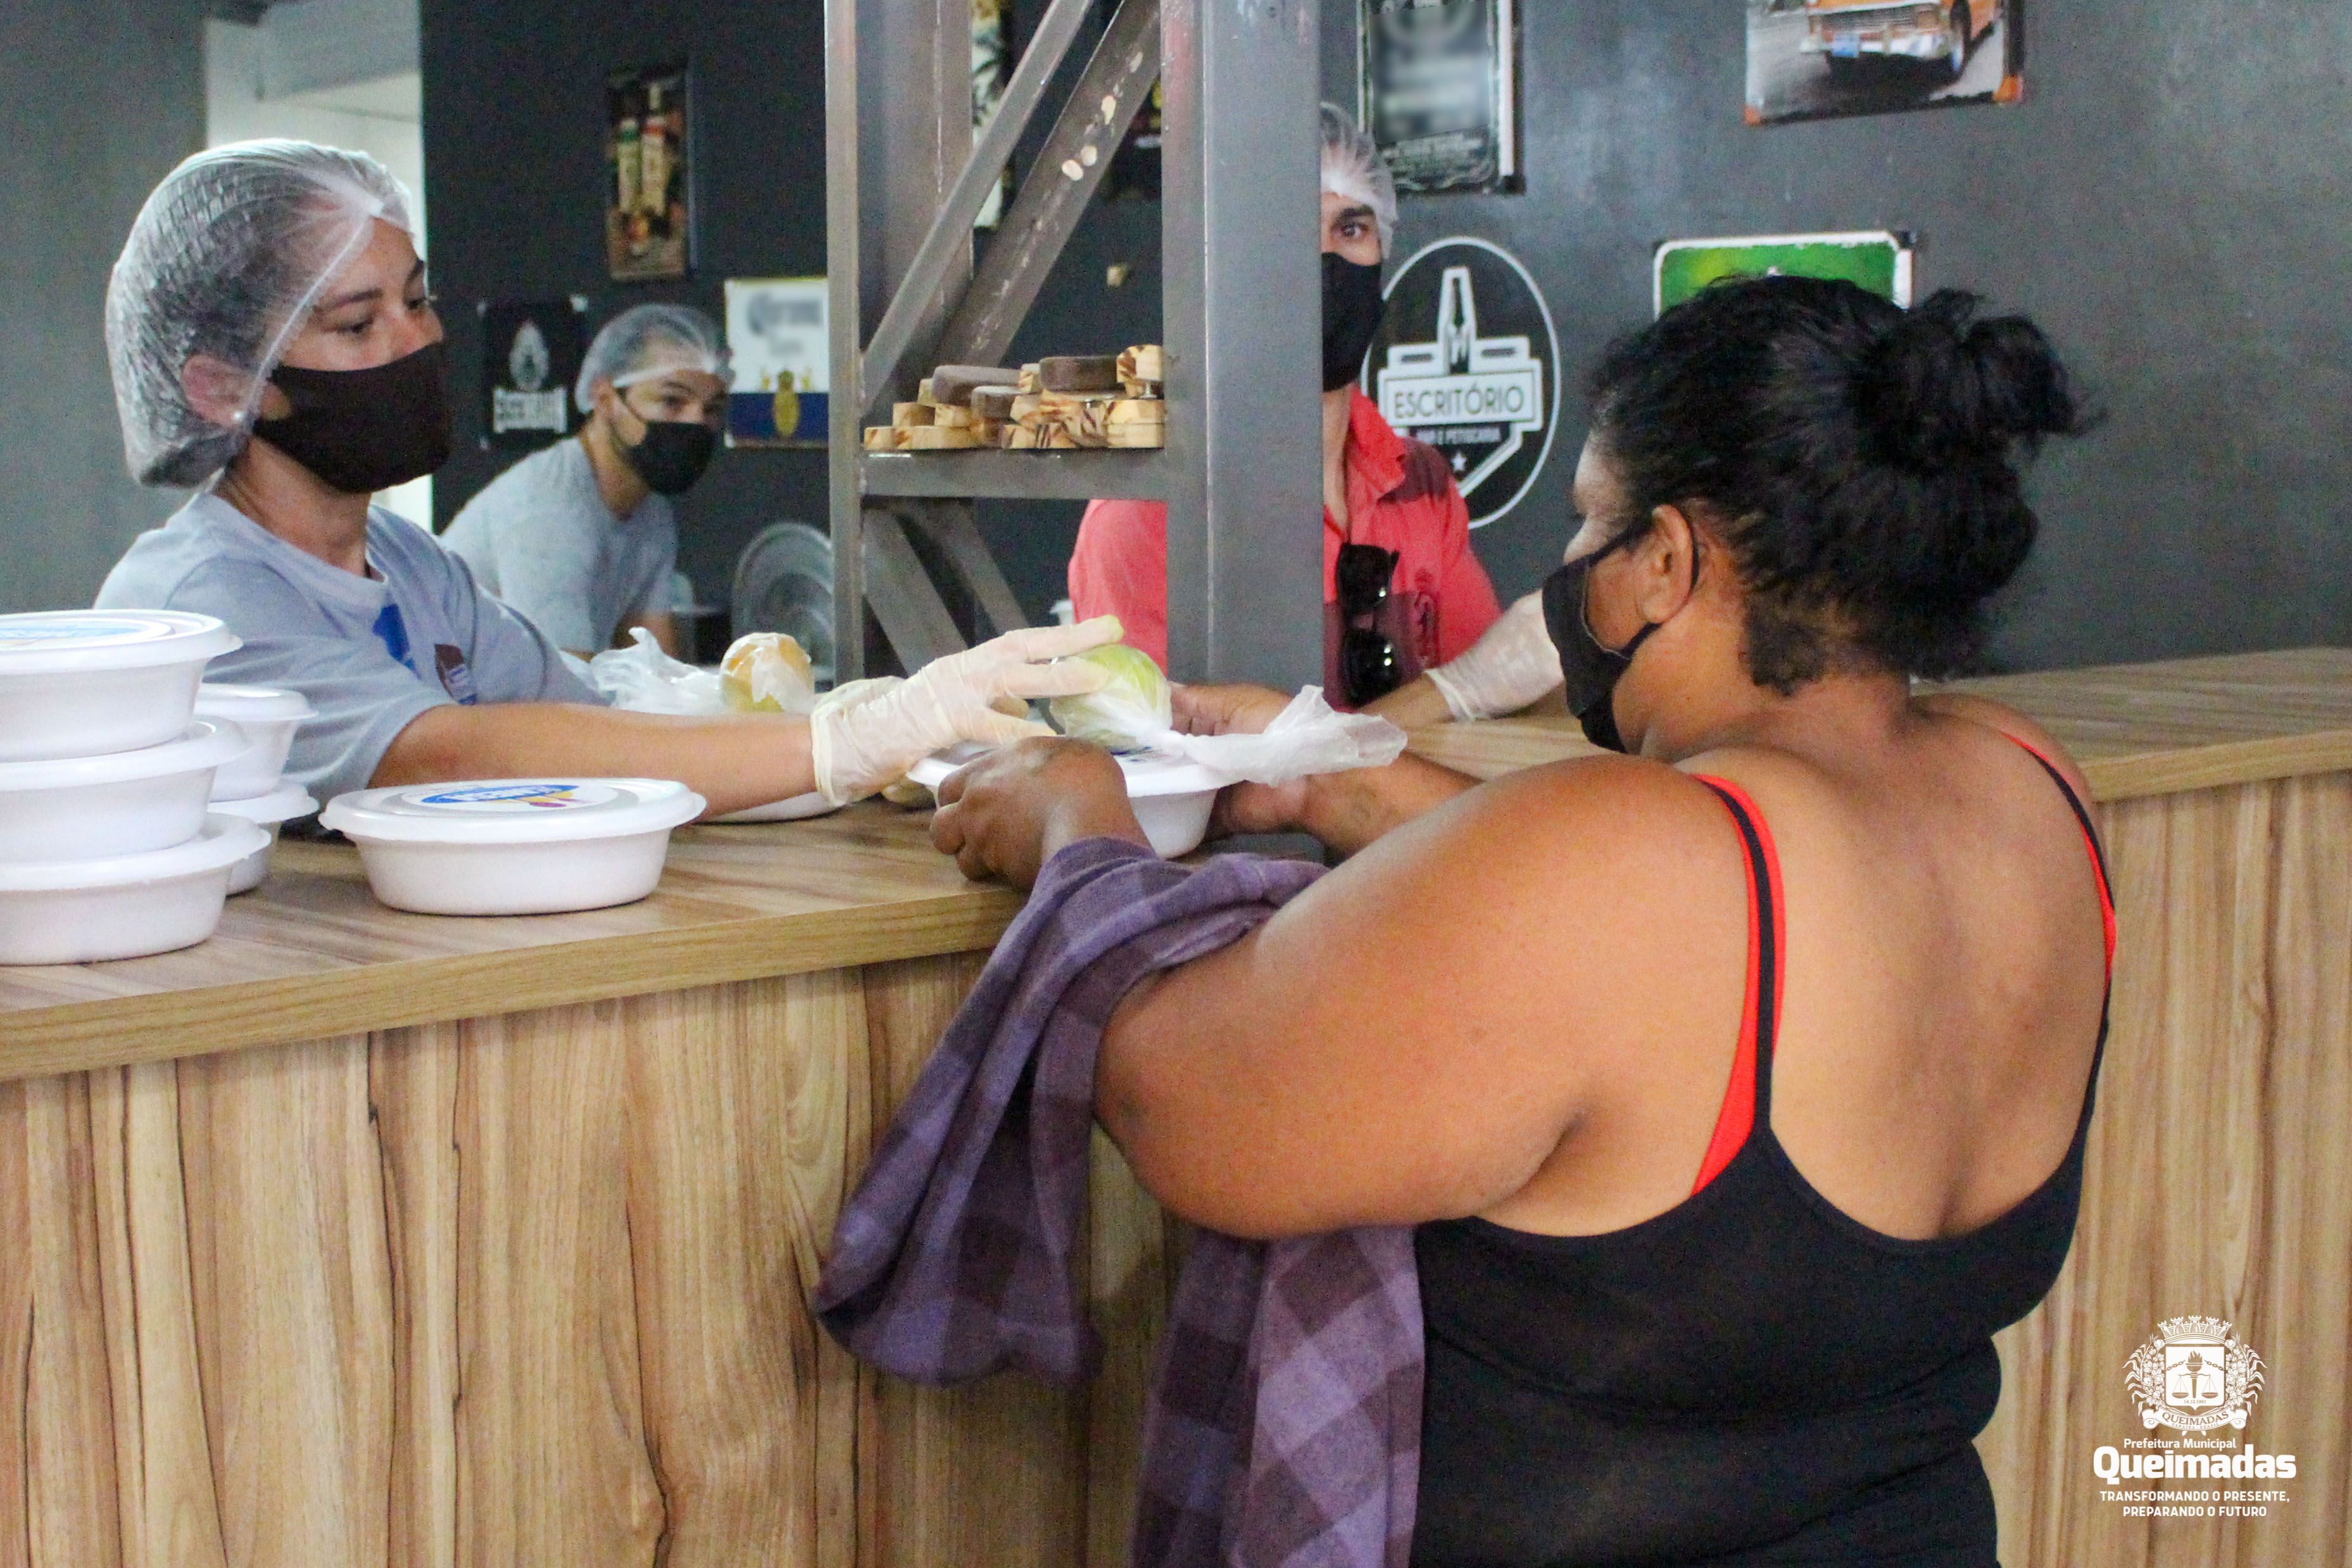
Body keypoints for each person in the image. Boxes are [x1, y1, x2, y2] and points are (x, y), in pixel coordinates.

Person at [930, 277, 2104, 1562]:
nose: (1572, 562)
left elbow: (1189, 1105)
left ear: (1668, 562)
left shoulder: (1631, 858)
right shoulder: (2025, 785)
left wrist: (1077, 824)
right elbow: (1648, 946)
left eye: (1593, 521)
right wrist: (1330, 774)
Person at [95, 141, 1117, 815]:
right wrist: (838, 742)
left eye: (419, 299)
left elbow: (590, 723)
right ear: (223, 385)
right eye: (359, 324)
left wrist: (873, 733)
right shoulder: (199, 607)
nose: (419, 342)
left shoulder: (410, 565)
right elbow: (445, 755)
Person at [1067, 104, 1502, 708]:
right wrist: (1446, 697)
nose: (1324, 262)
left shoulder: (1421, 484)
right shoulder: (1153, 509)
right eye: (1292, 231)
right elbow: (1163, 757)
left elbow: (1488, 716)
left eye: (1351, 229)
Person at [443, 303, 727, 659]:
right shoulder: (549, 509)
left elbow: (654, 665)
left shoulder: (651, 512)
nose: (696, 423)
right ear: (605, 399)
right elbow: (563, 683)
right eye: (672, 401)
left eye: (712, 408)